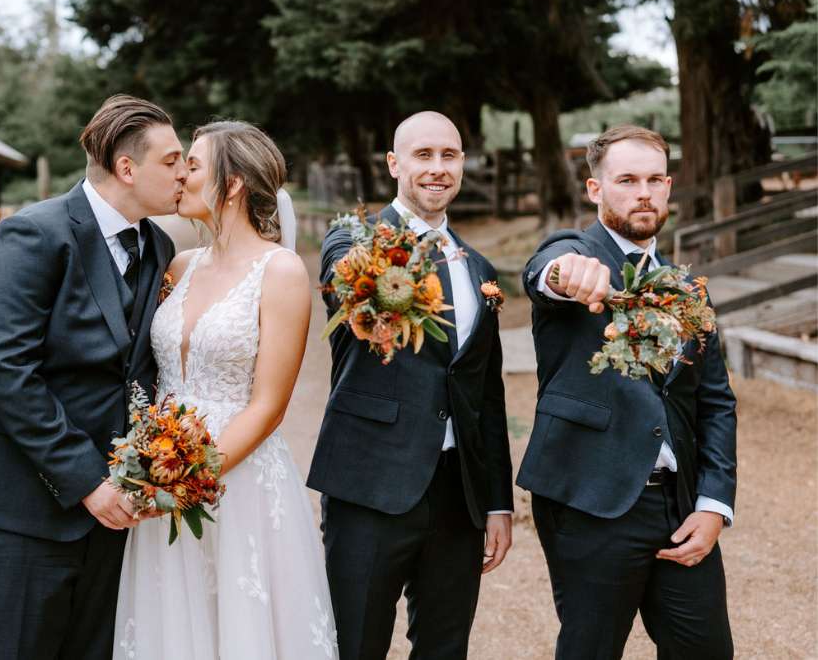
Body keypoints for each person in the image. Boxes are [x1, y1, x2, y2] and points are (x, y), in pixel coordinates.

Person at [0, 94, 187, 659]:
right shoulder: (33, 234)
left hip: (112, 507)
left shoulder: (158, 245)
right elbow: (9, 371)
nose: (185, 173)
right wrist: (87, 482)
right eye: (173, 160)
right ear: (127, 168)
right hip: (22, 502)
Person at [114, 120, 338, 659]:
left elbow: (268, 406)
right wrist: (152, 475)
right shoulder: (178, 266)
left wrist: (190, 477)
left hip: (236, 482)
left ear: (232, 183)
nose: (181, 175)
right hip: (161, 471)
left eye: (192, 165)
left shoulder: (280, 271)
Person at [518, 124, 736, 659]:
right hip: (592, 500)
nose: (644, 192)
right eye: (627, 180)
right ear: (596, 191)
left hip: (681, 507)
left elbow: (716, 403)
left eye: (655, 179)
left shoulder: (687, 287)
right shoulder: (575, 254)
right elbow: (545, 272)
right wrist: (564, 273)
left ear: (668, 186)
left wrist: (713, 504)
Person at [309, 111, 514, 660]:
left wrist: (497, 503)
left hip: (458, 496)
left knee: (445, 649)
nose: (438, 169)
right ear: (394, 164)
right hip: (371, 484)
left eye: (449, 156)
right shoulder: (354, 240)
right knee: (355, 646)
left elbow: (485, 398)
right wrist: (369, 268)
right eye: (423, 155)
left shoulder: (479, 268)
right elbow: (344, 277)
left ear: (463, 164)